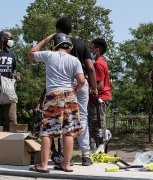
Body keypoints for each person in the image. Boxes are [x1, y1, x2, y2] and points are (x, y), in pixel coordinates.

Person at [27, 33, 85, 173]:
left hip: (54, 96)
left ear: (54, 45)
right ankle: (66, 164)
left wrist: (46, 39)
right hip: (70, 96)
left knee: (47, 132)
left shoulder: (48, 55)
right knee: (68, 132)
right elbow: (81, 80)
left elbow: (31, 53)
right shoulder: (74, 60)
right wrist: (78, 87)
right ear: (68, 46)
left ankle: (43, 165)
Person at [54, 17, 98, 166]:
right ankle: (86, 155)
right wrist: (94, 87)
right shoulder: (81, 44)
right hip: (82, 81)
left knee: (64, 119)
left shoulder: (57, 44)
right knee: (82, 118)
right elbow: (90, 67)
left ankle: (66, 157)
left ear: (58, 31)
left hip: (64, 84)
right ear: (71, 30)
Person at [88, 38, 112, 152]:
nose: (90, 50)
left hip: (99, 98)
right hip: (99, 98)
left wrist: (88, 91)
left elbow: (100, 85)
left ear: (97, 50)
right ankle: (99, 147)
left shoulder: (98, 64)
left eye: (91, 48)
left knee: (97, 124)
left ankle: (101, 148)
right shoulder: (101, 63)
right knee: (95, 124)